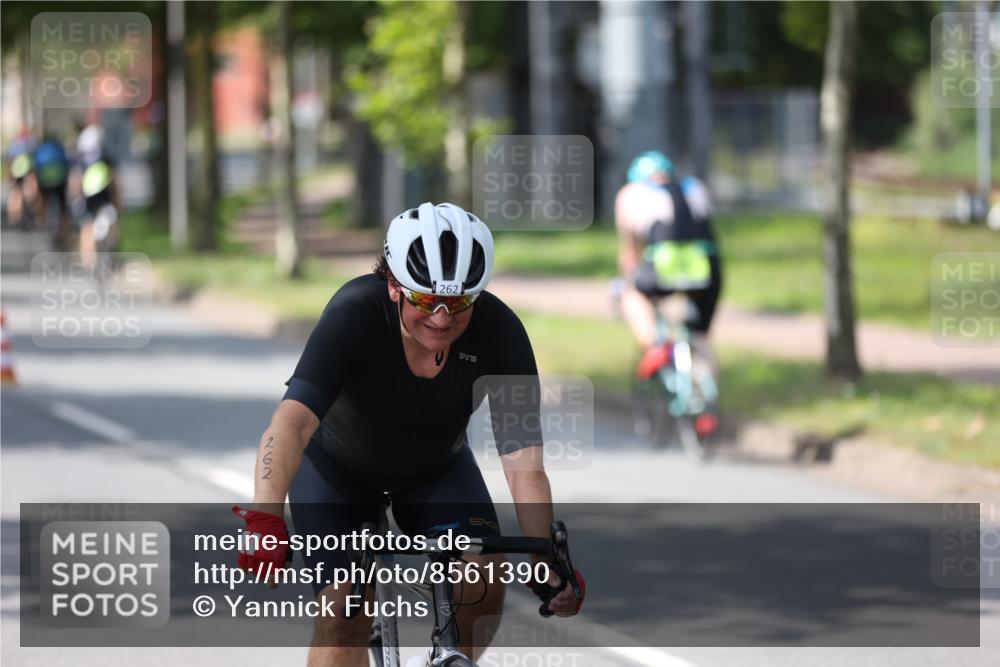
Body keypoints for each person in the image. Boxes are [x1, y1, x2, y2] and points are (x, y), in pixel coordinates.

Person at [234, 202, 585, 666]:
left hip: (434, 470)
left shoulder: (501, 333)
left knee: (483, 579)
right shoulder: (354, 313)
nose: (441, 317)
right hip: (337, 474)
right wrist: (265, 515)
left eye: (458, 303)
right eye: (425, 300)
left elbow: (525, 464)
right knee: (343, 615)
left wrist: (546, 562)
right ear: (394, 286)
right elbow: (290, 424)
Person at [615, 151, 722, 431]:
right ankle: (707, 406)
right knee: (699, 336)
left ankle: (655, 346)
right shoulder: (694, 186)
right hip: (708, 268)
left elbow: (629, 253)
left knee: (629, 292)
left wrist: (629, 276)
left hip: (664, 267)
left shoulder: (631, 193)